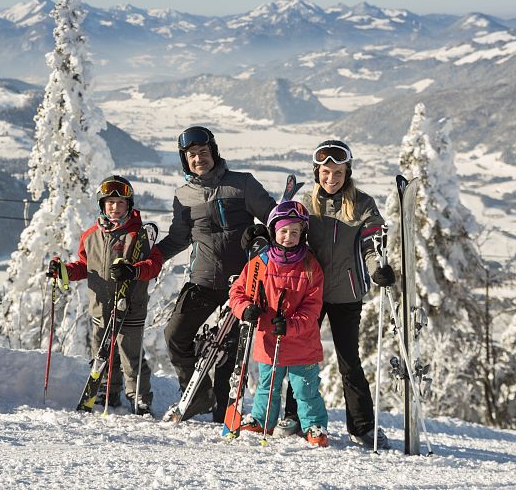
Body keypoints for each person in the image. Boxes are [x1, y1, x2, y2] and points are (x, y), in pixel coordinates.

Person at [111, 126, 276, 423]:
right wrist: (143, 261)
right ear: (184, 160)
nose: (198, 159)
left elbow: (275, 222)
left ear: (213, 152)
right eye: (191, 155)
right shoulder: (183, 196)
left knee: (229, 349)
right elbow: (178, 238)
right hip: (203, 279)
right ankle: (198, 395)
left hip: (242, 282)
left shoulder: (243, 185)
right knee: (175, 335)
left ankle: (225, 412)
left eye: (203, 152)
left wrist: (262, 236)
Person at [273, 140, 396, 450]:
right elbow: (287, 232)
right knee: (301, 357)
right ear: (318, 172)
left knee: (348, 361)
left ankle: (362, 426)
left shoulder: (363, 204)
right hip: (309, 293)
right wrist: (265, 235)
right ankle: (296, 417)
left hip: (346, 293)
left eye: (338, 172)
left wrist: (377, 268)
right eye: (326, 172)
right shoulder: (306, 204)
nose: (331, 178)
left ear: (347, 172)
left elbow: (372, 244)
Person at [48, 175, 154, 415]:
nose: (114, 208)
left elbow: (153, 264)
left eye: (120, 203)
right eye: (109, 203)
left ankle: (139, 397)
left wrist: (133, 270)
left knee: (131, 356)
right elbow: (86, 266)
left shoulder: (139, 235)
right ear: (102, 205)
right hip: (101, 308)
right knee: (103, 354)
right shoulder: (91, 235)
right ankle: (108, 391)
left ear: (129, 205)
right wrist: (63, 271)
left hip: (130, 307)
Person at [229, 201, 330, 447]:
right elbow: (237, 293)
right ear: (274, 231)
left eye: (295, 232)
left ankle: (314, 425)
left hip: (301, 344)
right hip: (267, 340)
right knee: (267, 386)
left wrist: (291, 325)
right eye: (284, 231)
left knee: (305, 391)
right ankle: (262, 420)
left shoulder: (310, 266)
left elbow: (312, 308)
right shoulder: (259, 263)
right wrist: (246, 310)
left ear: (302, 235)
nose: (288, 237)